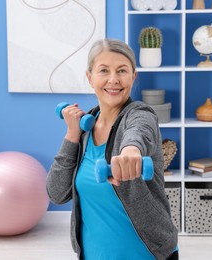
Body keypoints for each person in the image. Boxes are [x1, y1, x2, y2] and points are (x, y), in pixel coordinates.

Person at [46, 38, 178, 260]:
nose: (113, 80)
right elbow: (57, 194)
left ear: (133, 76)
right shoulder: (85, 129)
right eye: (104, 70)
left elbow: (139, 131)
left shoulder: (140, 115)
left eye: (122, 71)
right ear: (90, 78)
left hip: (146, 254)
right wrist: (71, 134)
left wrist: (130, 152)